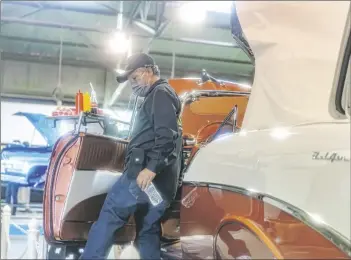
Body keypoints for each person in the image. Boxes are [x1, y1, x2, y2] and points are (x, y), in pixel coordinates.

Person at [80, 53, 183, 260]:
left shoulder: (160, 94)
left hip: (142, 177)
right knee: (147, 230)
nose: (133, 85)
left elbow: (167, 137)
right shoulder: (160, 96)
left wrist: (150, 168)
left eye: (135, 78)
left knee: (110, 216)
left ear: (149, 71)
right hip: (161, 185)